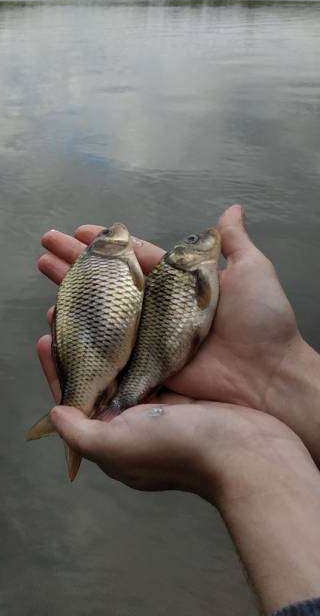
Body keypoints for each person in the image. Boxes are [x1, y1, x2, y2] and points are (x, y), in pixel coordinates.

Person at [35, 205, 320, 616]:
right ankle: (100, 396)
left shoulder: (168, 274)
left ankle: (106, 399)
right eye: (191, 243)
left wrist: (281, 375)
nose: (203, 239)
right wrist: (288, 379)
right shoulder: (137, 271)